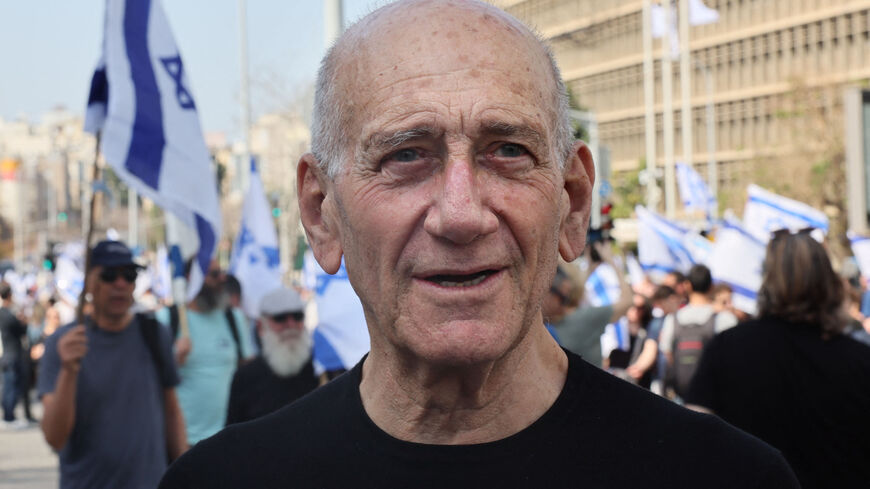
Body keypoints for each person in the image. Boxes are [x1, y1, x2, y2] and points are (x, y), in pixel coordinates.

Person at [159, 2, 798, 487]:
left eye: (508, 150)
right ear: (321, 212)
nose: (461, 215)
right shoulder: (224, 480)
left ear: (573, 202)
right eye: (406, 155)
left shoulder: (725, 476)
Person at [686, 229, 870, 489]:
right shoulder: (860, 361)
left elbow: (694, 437)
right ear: (828, 281)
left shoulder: (727, 349)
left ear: (767, 280)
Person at [37, 240, 187, 489]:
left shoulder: (153, 333)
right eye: (109, 275)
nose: (120, 284)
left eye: (129, 275)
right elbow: (55, 437)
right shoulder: (63, 343)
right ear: (89, 282)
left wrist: (185, 473)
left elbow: (171, 410)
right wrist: (68, 371)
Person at [156, 260, 254, 445]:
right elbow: (149, 381)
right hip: (181, 443)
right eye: (214, 274)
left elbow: (246, 371)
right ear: (190, 279)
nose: (222, 279)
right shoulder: (168, 319)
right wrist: (173, 360)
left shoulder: (234, 319)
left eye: (221, 272)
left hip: (227, 440)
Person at [226, 286, 318, 425]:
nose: (291, 325)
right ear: (260, 326)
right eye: (280, 318)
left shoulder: (320, 369)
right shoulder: (245, 377)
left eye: (297, 316)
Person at [658, 264, 737, 399]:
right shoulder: (725, 319)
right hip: (716, 396)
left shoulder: (673, 319)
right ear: (711, 286)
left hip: (682, 394)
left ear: (687, 285)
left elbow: (668, 353)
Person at [554, 241, 633, 368]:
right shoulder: (585, 319)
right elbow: (628, 301)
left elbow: (577, 295)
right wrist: (612, 263)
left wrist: (589, 267)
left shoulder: (547, 320)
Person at [1, 281, 30, 427]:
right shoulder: (8, 315)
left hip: (5, 354)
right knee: (11, 387)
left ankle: (8, 415)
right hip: (11, 354)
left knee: (7, 386)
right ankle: (9, 417)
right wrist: (23, 321)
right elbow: (22, 331)